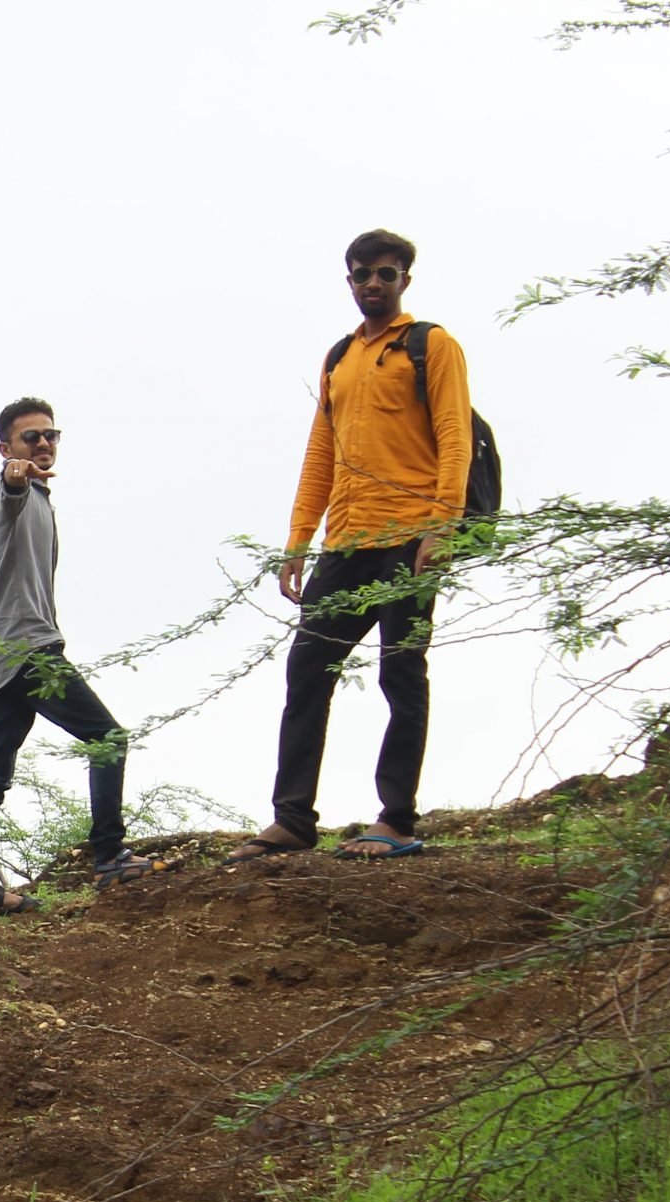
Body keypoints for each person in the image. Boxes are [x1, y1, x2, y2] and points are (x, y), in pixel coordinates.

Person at [229, 229, 473, 865]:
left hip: (412, 535)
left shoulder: (432, 346)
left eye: (385, 274)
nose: (373, 283)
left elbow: (453, 435)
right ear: (349, 280)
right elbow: (320, 454)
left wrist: (443, 525)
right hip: (347, 539)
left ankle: (395, 819)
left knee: (401, 672)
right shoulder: (339, 357)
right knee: (308, 670)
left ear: (404, 282)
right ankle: (292, 819)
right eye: (362, 273)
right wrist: (297, 541)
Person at [0, 397, 170, 919]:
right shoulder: (9, 493)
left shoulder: (40, 498)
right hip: (29, 651)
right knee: (108, 739)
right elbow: (9, 489)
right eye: (32, 437)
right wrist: (14, 475)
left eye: (52, 435)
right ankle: (109, 855)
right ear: (7, 448)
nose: (44, 444)